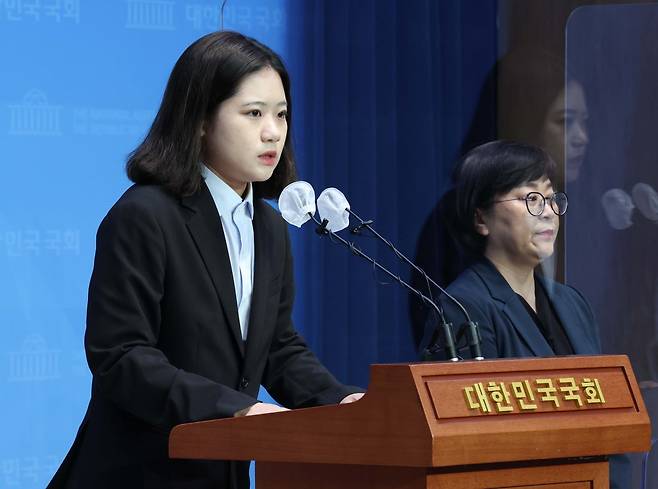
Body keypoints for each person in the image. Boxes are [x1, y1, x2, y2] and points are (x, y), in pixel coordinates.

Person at [47, 31, 363, 489]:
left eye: (281, 114)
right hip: (138, 473)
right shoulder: (145, 215)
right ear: (199, 120)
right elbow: (122, 357)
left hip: (224, 472)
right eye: (253, 113)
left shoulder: (269, 228)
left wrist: (339, 402)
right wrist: (237, 409)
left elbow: (276, 346)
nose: (272, 131)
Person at [420, 139, 628, 487]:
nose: (547, 211)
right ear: (481, 218)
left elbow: (607, 419)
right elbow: (467, 439)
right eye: (530, 198)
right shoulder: (461, 307)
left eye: (551, 198)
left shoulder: (572, 303)